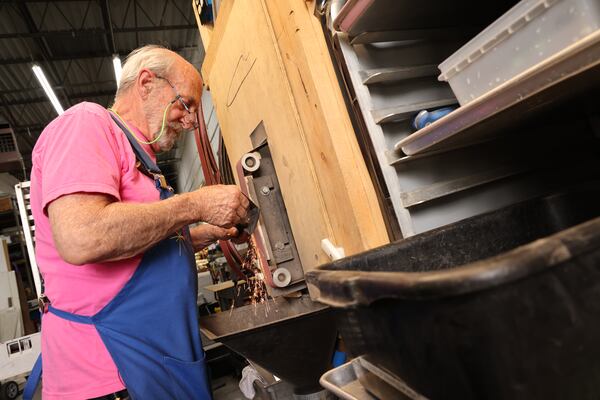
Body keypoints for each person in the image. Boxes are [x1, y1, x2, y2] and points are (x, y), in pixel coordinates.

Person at [25, 45, 249, 400]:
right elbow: (83, 236)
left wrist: (202, 234)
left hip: (156, 364)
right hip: (112, 374)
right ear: (147, 83)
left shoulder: (142, 160)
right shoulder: (86, 123)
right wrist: (195, 204)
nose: (191, 121)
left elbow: (136, 244)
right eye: (186, 104)